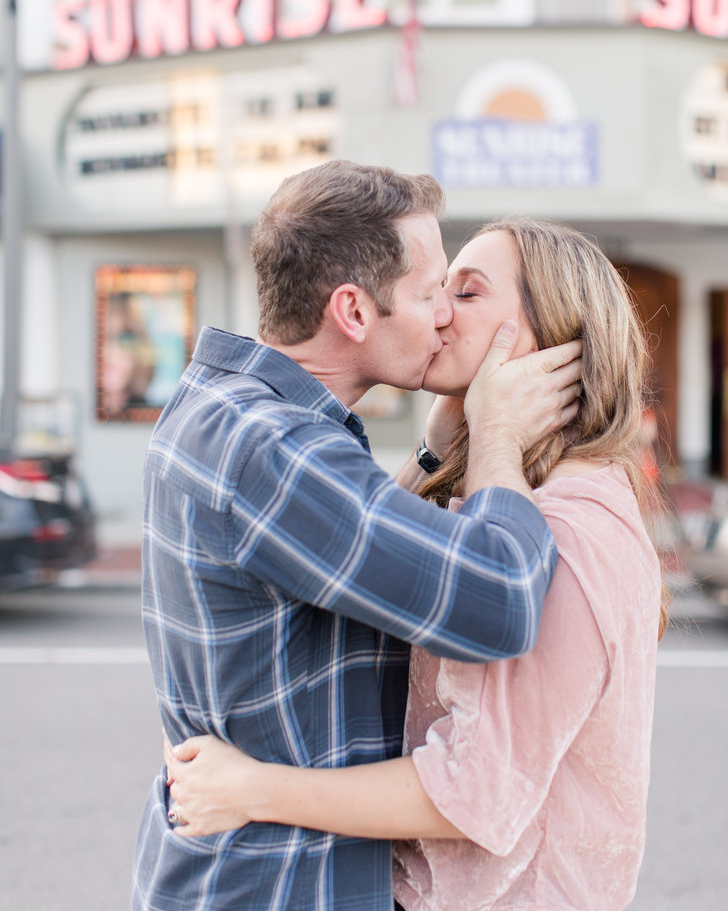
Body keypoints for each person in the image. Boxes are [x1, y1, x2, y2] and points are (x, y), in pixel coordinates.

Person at [163, 217, 670, 911]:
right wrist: (446, 447)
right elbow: (381, 567)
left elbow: (475, 789)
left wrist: (251, 789)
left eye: (464, 293)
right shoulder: (507, 500)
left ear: (539, 339)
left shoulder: (567, 530)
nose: (437, 312)